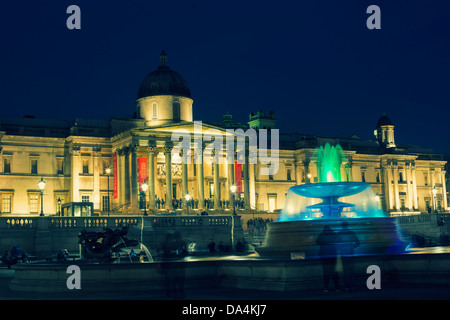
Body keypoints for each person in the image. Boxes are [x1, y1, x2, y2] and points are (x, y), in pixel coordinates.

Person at [336, 221, 360, 292]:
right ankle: (353, 285)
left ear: (341, 226)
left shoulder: (339, 233)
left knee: (345, 271)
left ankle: (347, 286)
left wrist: (341, 248)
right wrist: (352, 247)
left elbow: (336, 244)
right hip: (351, 253)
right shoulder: (352, 233)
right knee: (352, 270)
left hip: (343, 254)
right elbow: (358, 243)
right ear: (347, 225)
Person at [316, 226, 340, 292]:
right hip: (332, 254)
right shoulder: (334, 234)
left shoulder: (321, 234)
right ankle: (337, 287)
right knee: (334, 271)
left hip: (324, 255)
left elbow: (317, 242)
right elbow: (338, 242)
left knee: (325, 272)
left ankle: (326, 287)